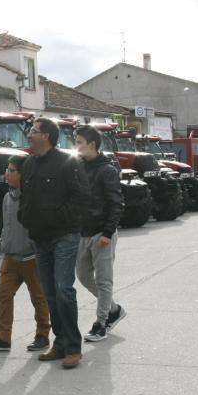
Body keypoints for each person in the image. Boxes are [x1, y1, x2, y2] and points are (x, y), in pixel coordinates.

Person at [20, 117, 90, 369]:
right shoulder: (28, 164)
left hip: (64, 235)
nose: (29, 135)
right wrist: (25, 219)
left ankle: (73, 347)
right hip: (40, 237)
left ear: (46, 136)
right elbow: (25, 199)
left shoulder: (68, 162)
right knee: (50, 293)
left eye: (33, 131)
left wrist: (58, 218)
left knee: (63, 290)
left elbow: (81, 198)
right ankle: (59, 343)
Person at [0, 156, 51, 353]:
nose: (6, 174)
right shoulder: (6, 198)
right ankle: (3, 338)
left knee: (38, 298)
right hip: (10, 258)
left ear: (23, 174)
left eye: (11, 170)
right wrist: (4, 241)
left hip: (31, 259)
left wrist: (34, 248)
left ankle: (42, 335)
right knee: (3, 295)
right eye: (7, 170)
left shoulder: (33, 198)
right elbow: (7, 225)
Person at [74, 126, 127, 343]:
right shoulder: (78, 167)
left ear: (92, 145)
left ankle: (101, 323)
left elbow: (117, 203)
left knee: (104, 281)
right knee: (84, 276)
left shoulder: (107, 170)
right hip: (83, 232)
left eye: (79, 142)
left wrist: (107, 232)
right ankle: (113, 308)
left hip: (102, 234)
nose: (76, 146)